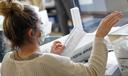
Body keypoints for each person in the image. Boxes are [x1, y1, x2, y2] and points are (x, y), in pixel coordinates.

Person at [0, 0, 123, 76]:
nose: (42, 27)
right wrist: (99, 36)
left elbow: (34, 68)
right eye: (40, 24)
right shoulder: (47, 61)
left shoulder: (7, 60)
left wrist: (55, 56)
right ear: (31, 33)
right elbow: (93, 72)